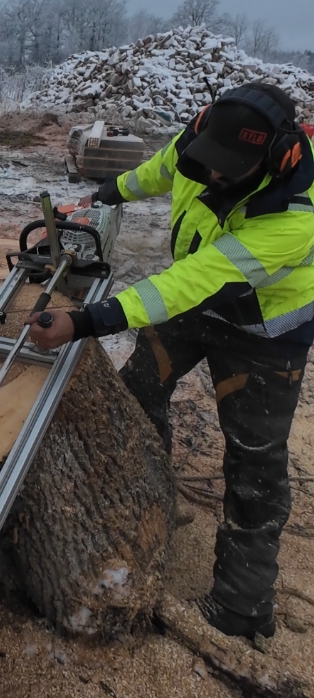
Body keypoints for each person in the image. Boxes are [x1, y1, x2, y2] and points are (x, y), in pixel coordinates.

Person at [29, 83, 314, 643]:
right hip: (197, 299)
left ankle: (241, 606)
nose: (211, 178)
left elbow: (194, 281)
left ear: (278, 158)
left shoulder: (296, 216)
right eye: (206, 163)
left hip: (264, 330)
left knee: (254, 464)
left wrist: (86, 322)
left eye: (227, 173)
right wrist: (104, 197)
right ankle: (150, 499)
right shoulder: (200, 149)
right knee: (138, 389)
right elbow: (158, 170)